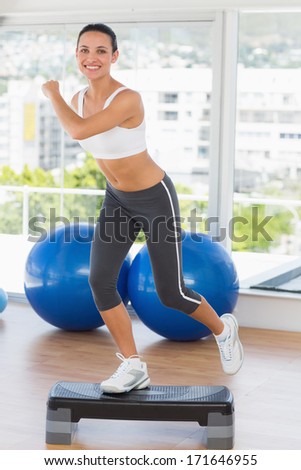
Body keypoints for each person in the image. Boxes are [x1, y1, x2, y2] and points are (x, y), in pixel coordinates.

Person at [42, 23, 244, 394]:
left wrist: (51, 94)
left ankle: (223, 329)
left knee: (172, 293)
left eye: (101, 51)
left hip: (154, 197)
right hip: (117, 199)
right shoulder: (77, 99)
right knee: (99, 282)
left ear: (114, 57)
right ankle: (134, 365)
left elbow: (79, 131)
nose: (92, 58)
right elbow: (82, 128)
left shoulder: (127, 98)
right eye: (85, 50)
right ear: (76, 55)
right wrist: (62, 97)